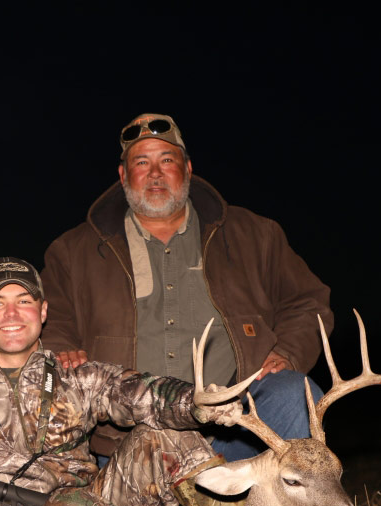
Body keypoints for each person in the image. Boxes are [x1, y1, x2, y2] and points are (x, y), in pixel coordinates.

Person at [41, 113, 334, 462]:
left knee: (294, 394)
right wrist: (61, 347)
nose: (155, 173)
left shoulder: (255, 235)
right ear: (123, 176)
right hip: (133, 441)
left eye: (167, 160)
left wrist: (288, 351)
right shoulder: (73, 251)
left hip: (237, 423)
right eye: (141, 162)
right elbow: (49, 316)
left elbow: (308, 301)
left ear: (188, 169)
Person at [0, 257, 244, 506]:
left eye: (24, 301)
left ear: (43, 311)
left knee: (169, 434)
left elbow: (145, 393)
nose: (11, 314)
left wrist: (196, 403)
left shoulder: (79, 377)